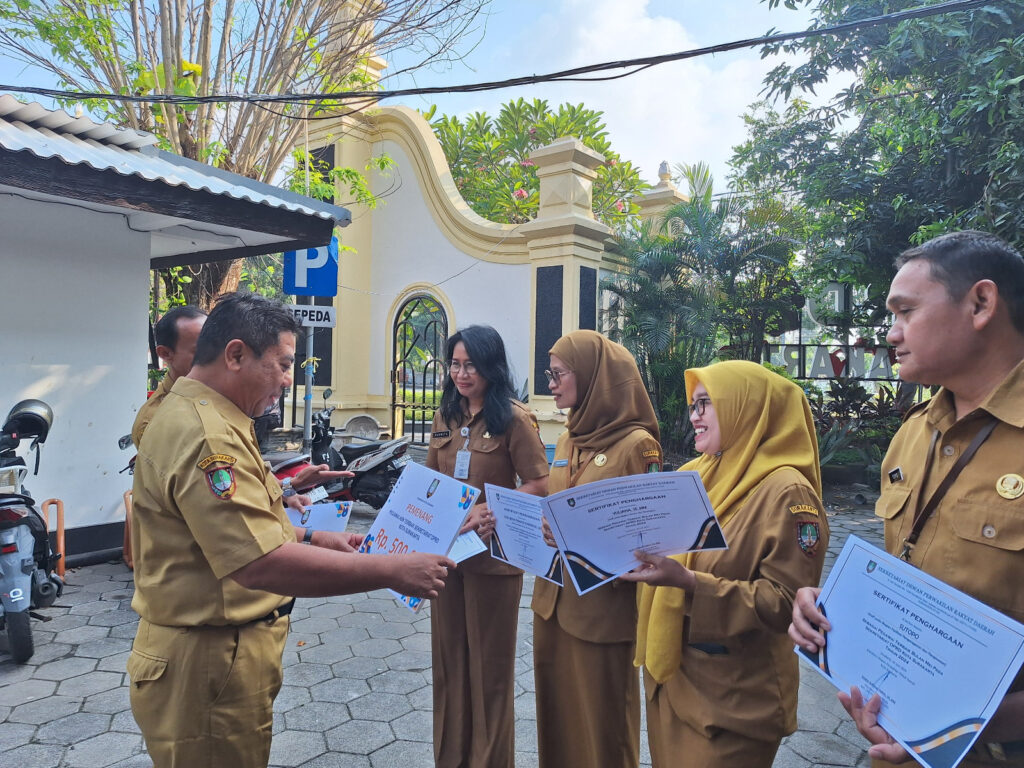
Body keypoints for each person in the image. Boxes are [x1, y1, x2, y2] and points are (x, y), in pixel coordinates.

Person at [128, 292, 454, 768]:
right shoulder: (208, 434)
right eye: (282, 365)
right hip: (208, 662)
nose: (287, 381)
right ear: (235, 355)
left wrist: (314, 537)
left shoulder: (211, 417)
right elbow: (260, 563)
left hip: (219, 654)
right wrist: (391, 570)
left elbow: (234, 528)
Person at [789, 231, 1024, 768]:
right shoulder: (915, 434)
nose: (890, 334)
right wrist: (831, 610)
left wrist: (961, 722)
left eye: (904, 311)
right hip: (894, 744)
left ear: (981, 303)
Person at [619, 360, 828, 767]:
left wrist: (691, 584)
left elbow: (787, 603)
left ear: (744, 408)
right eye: (692, 405)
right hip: (673, 681)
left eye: (704, 404)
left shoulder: (788, 492)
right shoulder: (694, 474)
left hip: (733, 700)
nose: (693, 416)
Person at [531, 329, 663, 768]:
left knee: (603, 730)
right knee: (558, 720)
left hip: (603, 611)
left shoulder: (638, 446)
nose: (551, 383)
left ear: (592, 376)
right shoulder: (569, 437)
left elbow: (648, 535)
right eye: (549, 374)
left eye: (559, 374)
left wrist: (580, 532)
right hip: (553, 601)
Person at [426, 325, 549, 768]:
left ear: (491, 367)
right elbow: (432, 484)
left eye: (471, 364)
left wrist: (494, 509)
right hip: (447, 559)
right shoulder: (445, 417)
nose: (461, 373)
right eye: (455, 364)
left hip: (494, 561)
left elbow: (539, 483)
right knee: (450, 667)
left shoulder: (514, 419)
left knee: (489, 673)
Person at [131, 305, 207, 446]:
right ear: (165, 354)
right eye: (201, 350)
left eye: (217, 347)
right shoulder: (153, 420)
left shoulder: (225, 392)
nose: (215, 356)